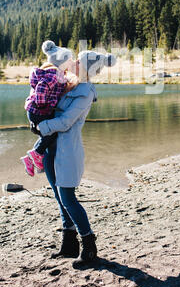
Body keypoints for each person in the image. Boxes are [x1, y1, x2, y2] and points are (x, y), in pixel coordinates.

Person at [38, 50, 116, 267]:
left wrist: (41, 126)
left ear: (88, 68)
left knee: (68, 198)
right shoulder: (68, 84)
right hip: (52, 150)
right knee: (59, 197)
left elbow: (66, 121)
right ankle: (69, 244)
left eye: (79, 61)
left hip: (67, 152)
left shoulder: (85, 92)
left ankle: (89, 247)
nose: (73, 63)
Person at [21, 40, 75, 177]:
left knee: (48, 136)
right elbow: (42, 88)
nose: (71, 62)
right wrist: (42, 105)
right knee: (52, 133)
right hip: (39, 111)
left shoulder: (55, 74)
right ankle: (35, 155)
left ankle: (31, 160)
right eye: (69, 60)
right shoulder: (53, 74)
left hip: (35, 111)